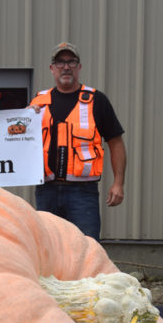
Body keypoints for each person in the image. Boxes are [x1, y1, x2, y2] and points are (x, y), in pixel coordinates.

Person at [29, 42, 126, 241]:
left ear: (79, 67)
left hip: (82, 194)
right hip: (46, 191)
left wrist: (118, 183)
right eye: (60, 62)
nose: (66, 67)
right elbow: (17, 141)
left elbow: (115, 142)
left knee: (87, 250)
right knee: (49, 250)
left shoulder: (96, 100)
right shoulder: (37, 104)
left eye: (71, 62)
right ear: (52, 68)